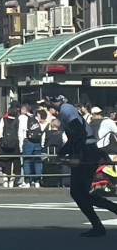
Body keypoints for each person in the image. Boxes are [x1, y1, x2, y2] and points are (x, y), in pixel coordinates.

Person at [44, 95, 117, 237]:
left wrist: (77, 156)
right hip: (86, 150)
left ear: (54, 100)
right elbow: (73, 138)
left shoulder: (66, 109)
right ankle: (101, 221)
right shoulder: (65, 110)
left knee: (78, 193)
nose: (48, 105)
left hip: (87, 152)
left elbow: (79, 134)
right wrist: (60, 154)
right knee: (79, 193)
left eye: (48, 101)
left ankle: (101, 222)